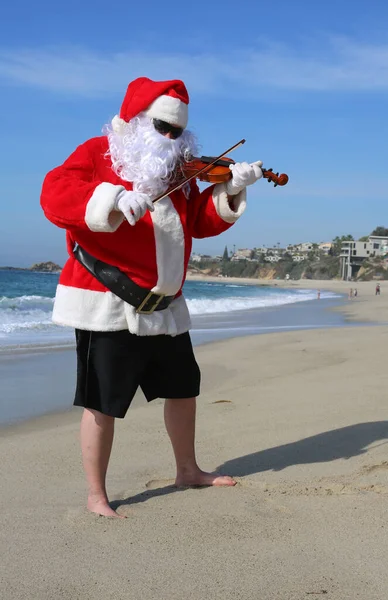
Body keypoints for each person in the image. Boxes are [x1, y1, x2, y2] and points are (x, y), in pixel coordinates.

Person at [40, 77, 264, 518]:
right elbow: (55, 194)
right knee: (103, 403)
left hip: (165, 306)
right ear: (137, 120)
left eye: (176, 132)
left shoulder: (179, 171)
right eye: (162, 127)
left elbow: (198, 222)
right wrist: (111, 197)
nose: (168, 138)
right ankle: (96, 494)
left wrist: (231, 188)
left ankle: (188, 470)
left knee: (183, 391)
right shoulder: (97, 153)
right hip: (108, 300)